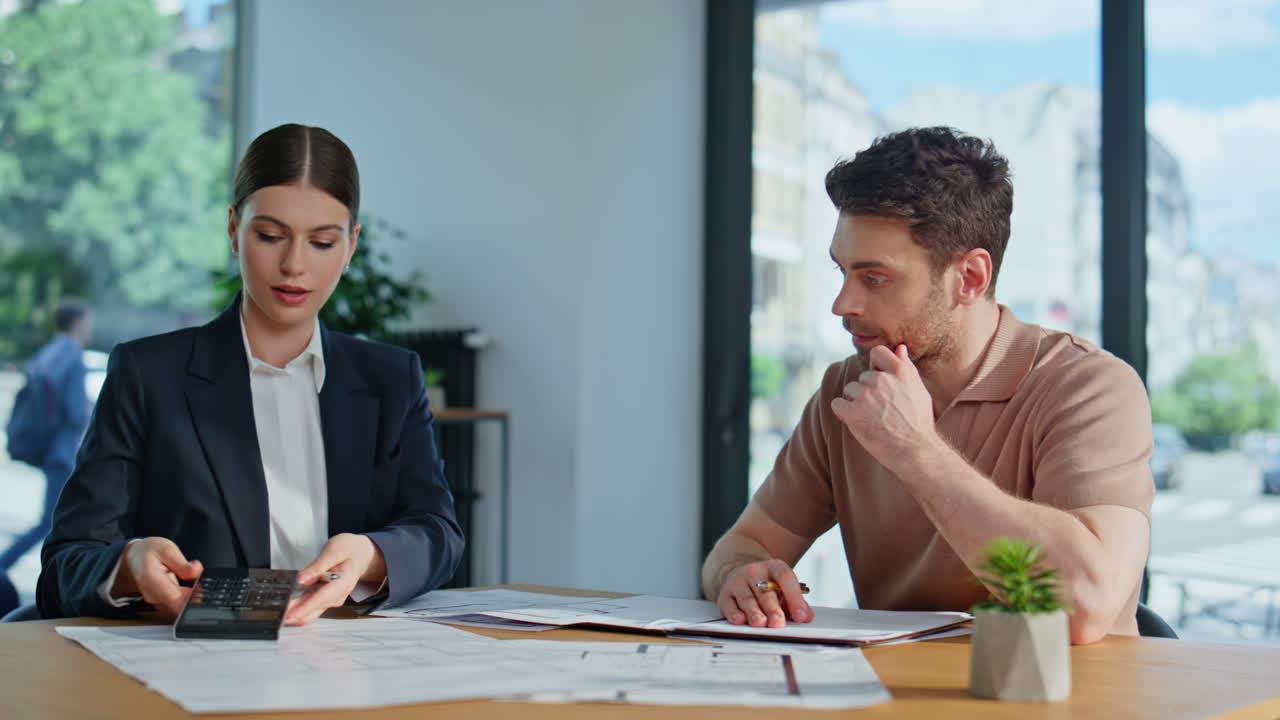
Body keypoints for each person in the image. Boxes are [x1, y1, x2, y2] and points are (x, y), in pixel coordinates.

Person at [702, 127, 1154, 646]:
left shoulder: (1089, 386)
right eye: (842, 271)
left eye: (874, 278)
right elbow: (744, 545)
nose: (842, 303)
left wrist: (913, 448)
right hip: (895, 695)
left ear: (970, 278)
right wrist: (742, 577)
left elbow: (1084, 608)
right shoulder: (846, 389)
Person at [37, 124, 464, 622]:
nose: (293, 266)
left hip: (345, 665)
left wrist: (372, 556)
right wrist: (128, 566)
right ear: (234, 229)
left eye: (322, 243)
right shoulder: (149, 375)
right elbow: (66, 565)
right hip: (194, 670)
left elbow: (438, 532)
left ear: (350, 246)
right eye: (270, 236)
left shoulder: (391, 378)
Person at [0, 298, 93, 572]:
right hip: (63, 451)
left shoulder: (48, 352)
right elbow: (77, 413)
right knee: (55, 522)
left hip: (46, 447)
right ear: (77, 323)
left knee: (58, 521)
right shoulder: (74, 357)